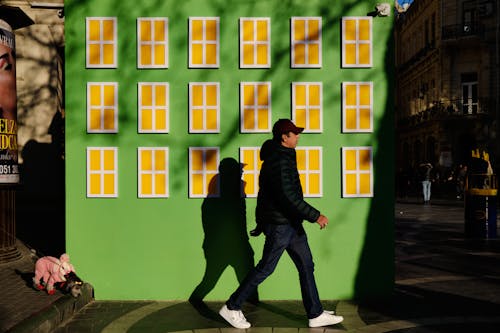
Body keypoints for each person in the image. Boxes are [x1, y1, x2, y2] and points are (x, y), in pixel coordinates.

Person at [219, 119, 344, 329]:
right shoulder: (278, 160)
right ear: (284, 137)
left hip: (290, 223)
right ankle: (232, 307)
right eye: (294, 133)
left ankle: (315, 313)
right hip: (281, 225)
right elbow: (287, 196)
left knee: (306, 265)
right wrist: (315, 215)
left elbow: (270, 196)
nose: (298, 136)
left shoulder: (283, 156)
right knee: (266, 267)